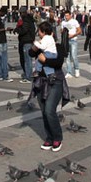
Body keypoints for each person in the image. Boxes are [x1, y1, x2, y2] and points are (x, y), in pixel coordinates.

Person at [30, 21, 67, 151]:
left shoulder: (58, 47)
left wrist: (45, 60)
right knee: (44, 111)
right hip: (40, 81)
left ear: (51, 34)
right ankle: (49, 138)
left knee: (49, 110)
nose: (41, 35)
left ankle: (57, 138)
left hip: (55, 81)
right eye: (41, 33)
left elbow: (58, 62)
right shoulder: (41, 46)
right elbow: (30, 53)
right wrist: (36, 46)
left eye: (43, 33)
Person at [15, 8, 36, 84]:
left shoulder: (26, 20)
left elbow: (24, 30)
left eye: (21, 13)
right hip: (27, 41)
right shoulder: (29, 19)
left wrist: (17, 30)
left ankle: (28, 77)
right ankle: (27, 74)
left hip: (26, 41)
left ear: (24, 13)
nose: (20, 15)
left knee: (27, 60)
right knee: (26, 59)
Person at [60, 10, 81, 78]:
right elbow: (61, 31)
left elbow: (79, 31)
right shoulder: (63, 22)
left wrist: (73, 35)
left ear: (70, 15)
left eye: (67, 15)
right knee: (67, 57)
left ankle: (76, 69)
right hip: (66, 40)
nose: (66, 17)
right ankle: (69, 71)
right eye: (65, 16)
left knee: (74, 56)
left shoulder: (74, 21)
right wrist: (63, 31)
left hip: (73, 40)